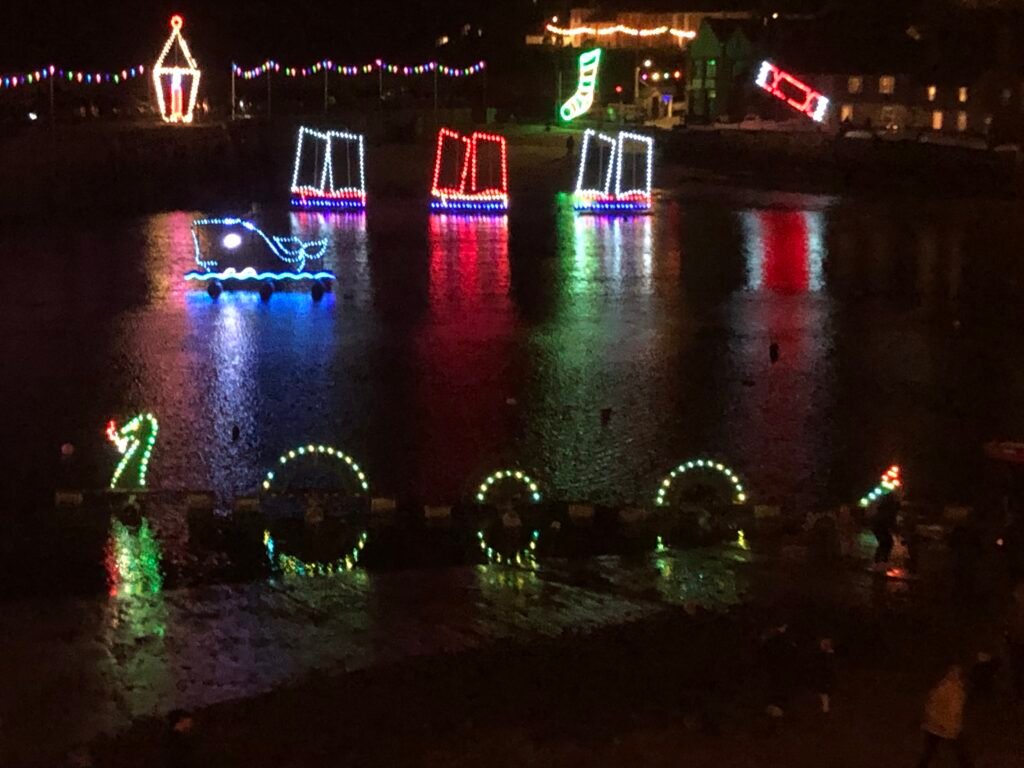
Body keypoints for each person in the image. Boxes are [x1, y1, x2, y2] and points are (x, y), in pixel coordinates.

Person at [916, 665, 972, 767]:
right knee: (961, 752)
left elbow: (930, 703)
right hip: (947, 726)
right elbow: (954, 711)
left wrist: (930, 718)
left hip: (934, 725)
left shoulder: (941, 686)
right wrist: (954, 727)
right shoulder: (955, 690)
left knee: (929, 752)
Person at [872, 493, 899, 569]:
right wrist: (895, 529)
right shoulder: (891, 507)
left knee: (885, 543)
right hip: (880, 526)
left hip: (878, 525)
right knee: (886, 543)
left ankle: (880, 561)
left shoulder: (885, 505)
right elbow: (891, 520)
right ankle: (881, 561)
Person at [1006, 582, 1024, 699]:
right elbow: (1010, 622)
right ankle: (1018, 693)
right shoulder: (1014, 608)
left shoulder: (1016, 608)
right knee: (1016, 667)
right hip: (1016, 642)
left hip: (1018, 641)